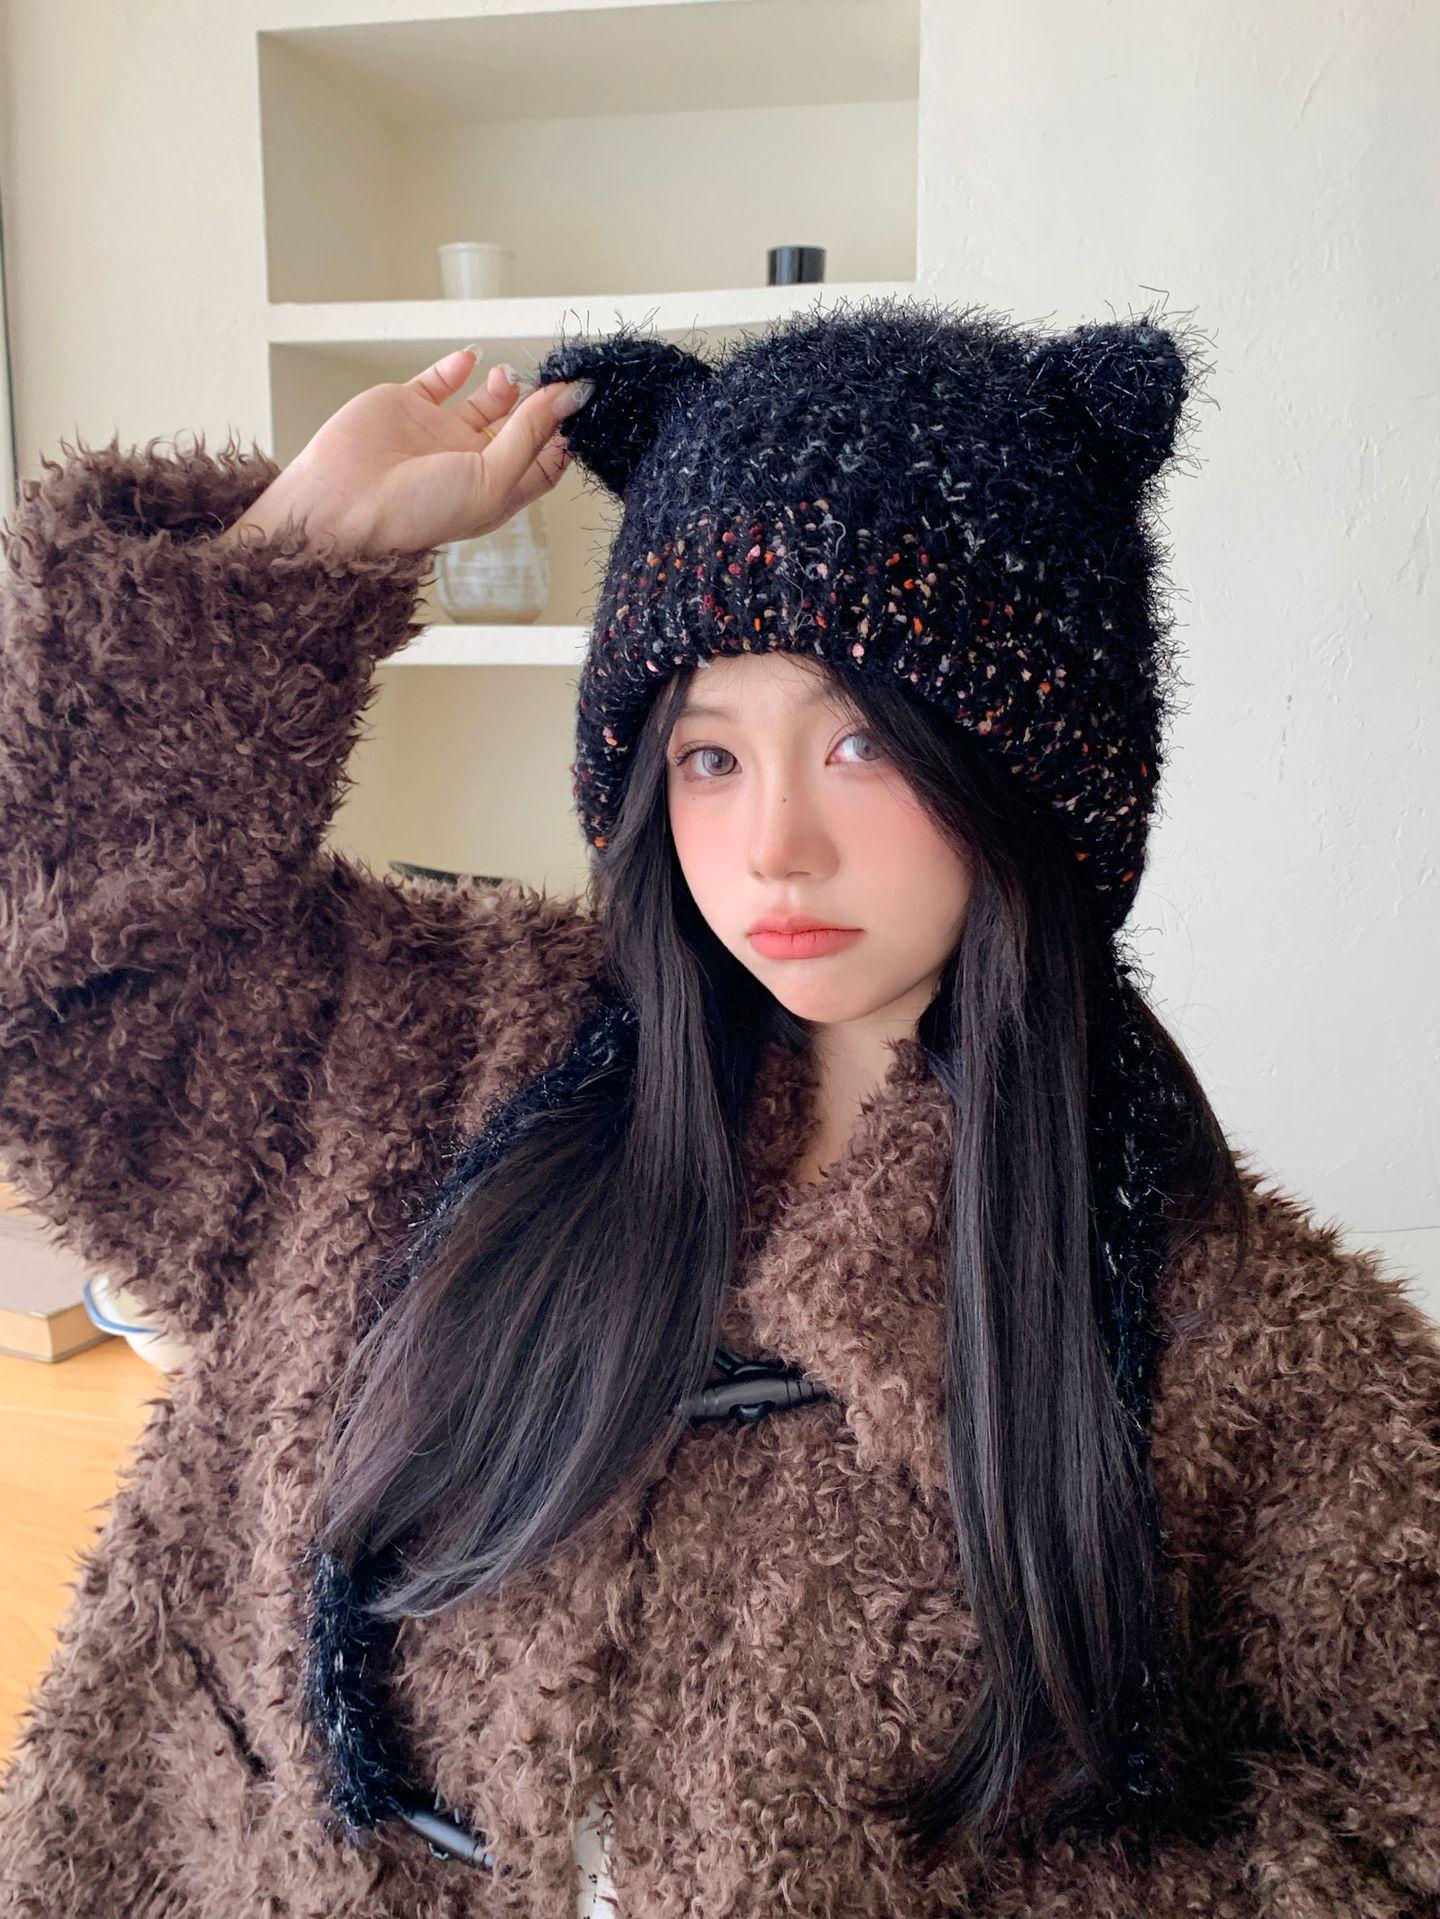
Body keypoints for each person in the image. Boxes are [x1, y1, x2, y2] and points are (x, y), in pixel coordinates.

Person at [0, 296, 1436, 1919]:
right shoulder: (428, 1062)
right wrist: (291, 559)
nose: (774, 850)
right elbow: (55, 997)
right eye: (709, 756)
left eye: (863, 745)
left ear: (1033, 775)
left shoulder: (1231, 1340)